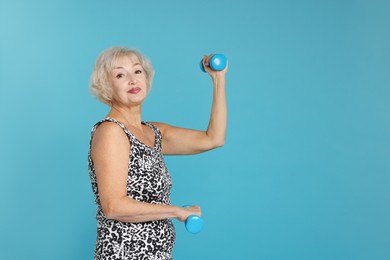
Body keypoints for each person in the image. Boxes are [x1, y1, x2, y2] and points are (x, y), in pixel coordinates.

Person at [88, 46, 228, 259]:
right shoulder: (111, 131)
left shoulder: (153, 132)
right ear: (107, 86)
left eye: (137, 71)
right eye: (120, 74)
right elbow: (113, 206)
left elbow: (213, 138)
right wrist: (176, 211)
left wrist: (218, 79)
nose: (132, 80)